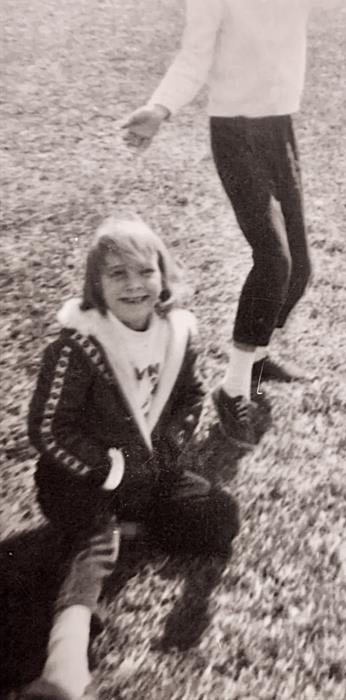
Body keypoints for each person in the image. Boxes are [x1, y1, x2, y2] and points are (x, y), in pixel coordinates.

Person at [122, 0, 346, 449]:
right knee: (273, 258)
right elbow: (193, 58)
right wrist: (160, 107)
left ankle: (259, 355)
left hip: (278, 132)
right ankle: (232, 386)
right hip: (235, 135)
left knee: (300, 270)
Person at [21, 213, 239, 700]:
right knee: (93, 541)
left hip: (148, 471)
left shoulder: (177, 333)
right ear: (96, 286)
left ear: (163, 275)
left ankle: (130, 527)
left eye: (145, 270)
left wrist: (168, 448)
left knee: (218, 518)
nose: (135, 285)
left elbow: (190, 396)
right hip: (84, 478)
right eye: (117, 274)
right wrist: (110, 467)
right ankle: (66, 663)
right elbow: (48, 429)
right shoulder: (76, 346)